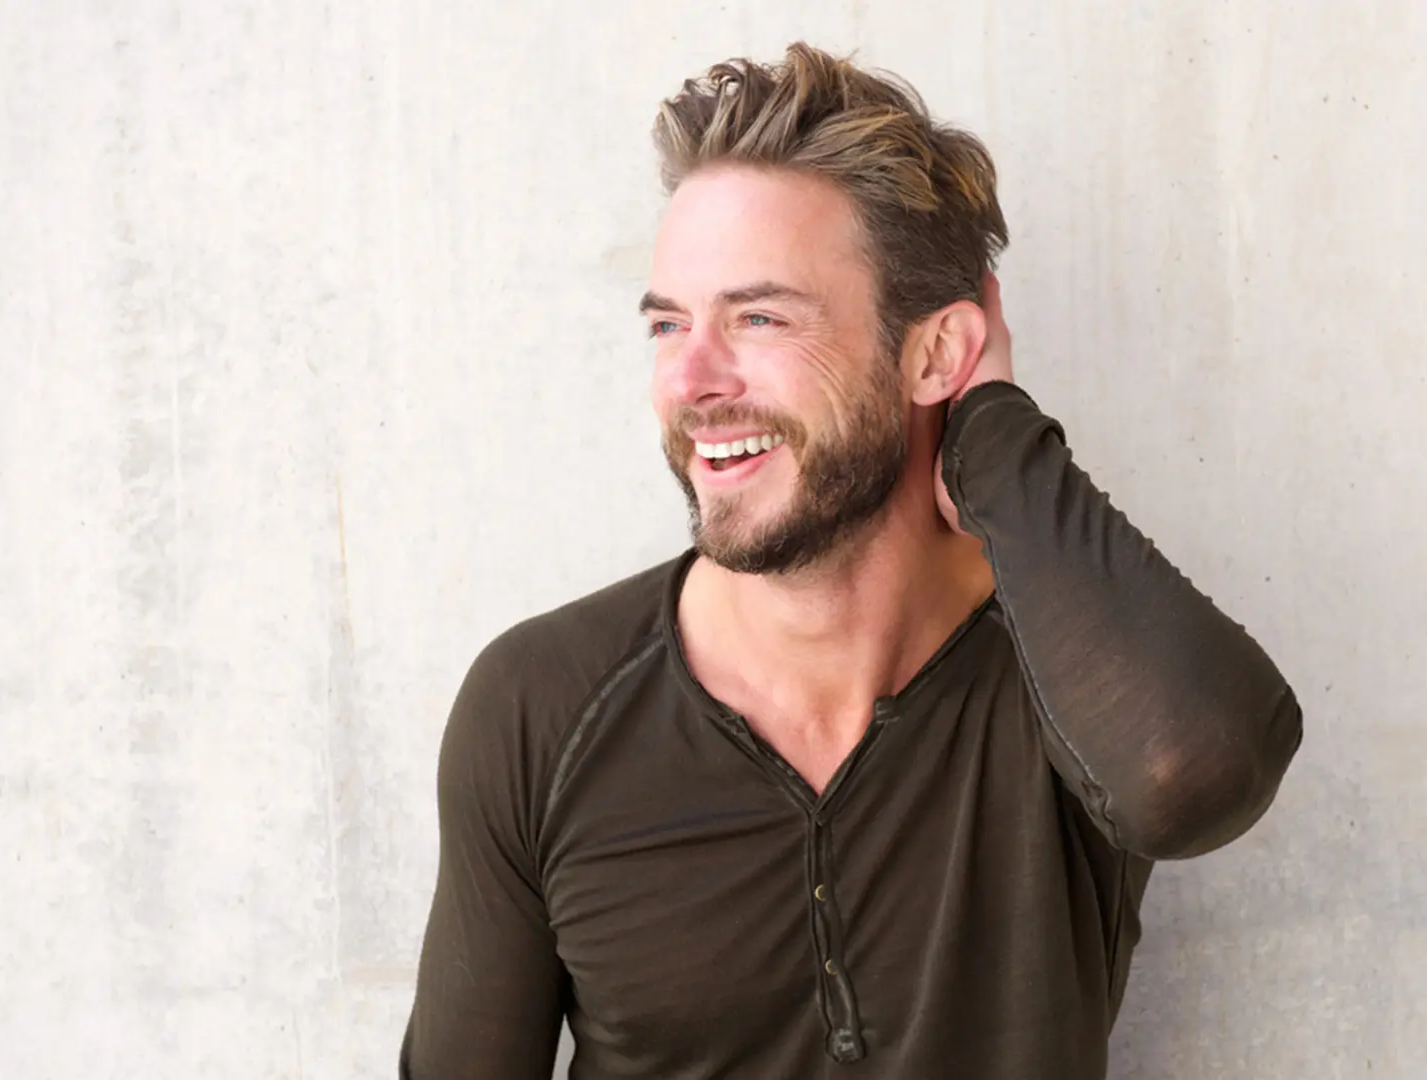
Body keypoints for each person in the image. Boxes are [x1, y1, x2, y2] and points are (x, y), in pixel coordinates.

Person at [400, 42, 1301, 1080]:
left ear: (933, 355)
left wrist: (997, 439)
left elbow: (1197, 775)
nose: (690, 380)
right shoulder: (541, 706)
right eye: (667, 325)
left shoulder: (1066, 662)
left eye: (759, 316)